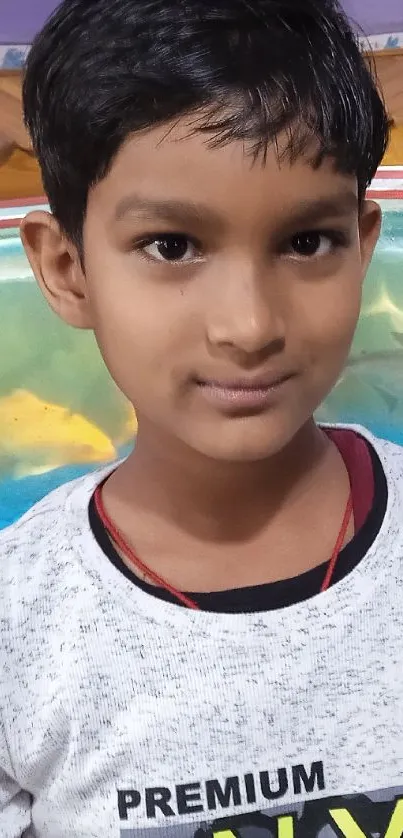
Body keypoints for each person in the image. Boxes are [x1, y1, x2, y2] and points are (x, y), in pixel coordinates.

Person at [0, 0, 401, 835]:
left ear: (362, 246)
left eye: (306, 242)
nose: (249, 327)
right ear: (67, 269)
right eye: (172, 246)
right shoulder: (19, 625)